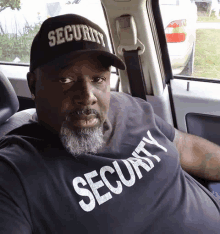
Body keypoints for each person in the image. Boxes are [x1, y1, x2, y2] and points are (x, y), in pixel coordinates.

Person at [0, 14, 220, 233]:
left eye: (98, 79)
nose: (87, 96)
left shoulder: (129, 107)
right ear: (33, 84)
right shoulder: (14, 173)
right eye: (65, 80)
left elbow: (184, 147)